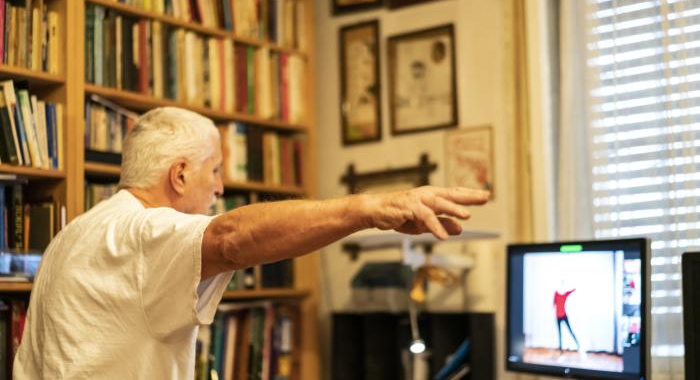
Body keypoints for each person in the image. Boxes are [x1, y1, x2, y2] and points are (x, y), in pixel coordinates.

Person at [13, 107, 490, 378]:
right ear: (179, 175)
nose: (219, 189)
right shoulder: (142, 233)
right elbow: (233, 237)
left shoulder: (73, 235)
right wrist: (369, 210)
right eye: (214, 172)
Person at [553, 285, 581, 353]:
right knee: (559, 333)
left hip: (564, 316)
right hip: (558, 317)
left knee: (570, 330)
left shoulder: (565, 295)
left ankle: (578, 344)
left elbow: (571, 291)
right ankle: (560, 349)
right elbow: (554, 303)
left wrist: (576, 287)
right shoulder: (556, 294)